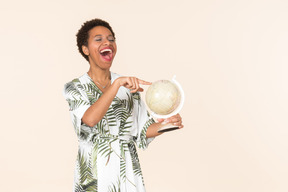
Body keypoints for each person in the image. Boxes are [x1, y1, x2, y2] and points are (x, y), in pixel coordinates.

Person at [63, 18, 184, 192]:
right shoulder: (74, 87)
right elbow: (90, 119)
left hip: (126, 168)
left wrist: (168, 124)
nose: (108, 42)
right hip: (94, 171)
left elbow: (142, 131)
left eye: (111, 39)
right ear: (85, 49)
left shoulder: (128, 87)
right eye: (99, 39)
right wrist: (116, 85)